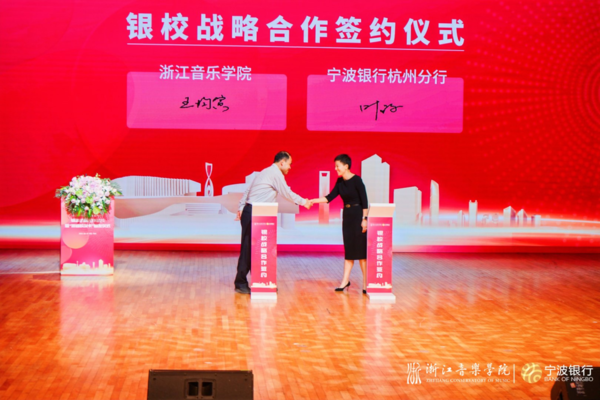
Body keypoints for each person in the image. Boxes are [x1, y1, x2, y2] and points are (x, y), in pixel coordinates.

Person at [234, 151, 313, 294]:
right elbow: (287, 193)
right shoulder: (275, 173)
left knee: (259, 249)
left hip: (254, 212)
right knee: (249, 249)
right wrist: (304, 202)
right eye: (289, 164)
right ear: (282, 163)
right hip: (253, 213)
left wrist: (241, 207)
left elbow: (247, 191)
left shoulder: (265, 172)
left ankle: (261, 282)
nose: (290, 167)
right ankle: (240, 283)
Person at [310, 154, 369, 293]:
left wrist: (364, 219)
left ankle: (366, 283)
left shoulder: (357, 180)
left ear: (346, 166)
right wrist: (312, 200)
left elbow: (364, 201)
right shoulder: (340, 181)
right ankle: (345, 281)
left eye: (337, 166)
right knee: (349, 251)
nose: (335, 168)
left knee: (361, 252)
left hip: (358, 216)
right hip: (347, 217)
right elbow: (329, 197)